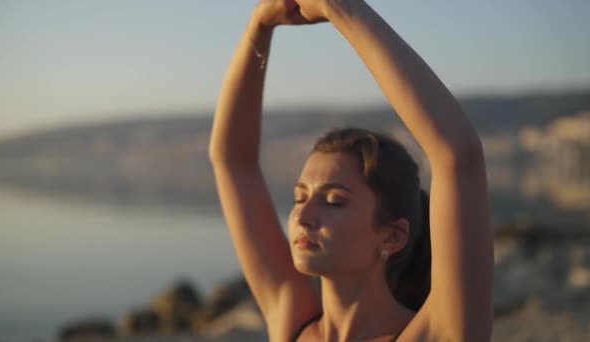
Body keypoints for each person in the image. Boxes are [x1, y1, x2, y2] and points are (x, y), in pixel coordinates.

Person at [208, 0, 493, 341]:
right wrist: (259, 25)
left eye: (334, 201)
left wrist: (343, 9)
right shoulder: (294, 328)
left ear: (392, 236)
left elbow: (457, 156)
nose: (303, 217)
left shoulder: (437, 333)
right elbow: (233, 162)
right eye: (300, 197)